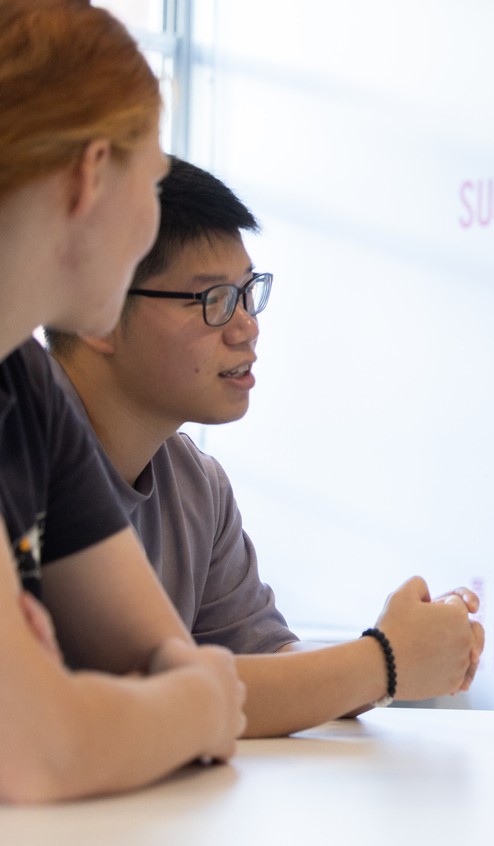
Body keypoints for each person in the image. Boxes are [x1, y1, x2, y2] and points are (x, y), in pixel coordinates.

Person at [45, 156, 486, 738]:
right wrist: (382, 663)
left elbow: (264, 671)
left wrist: (399, 647)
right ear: (99, 310)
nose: (246, 326)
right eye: (214, 300)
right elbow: (147, 701)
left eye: (248, 293)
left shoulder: (195, 485)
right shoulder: (25, 446)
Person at [0, 0, 246, 802]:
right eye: (153, 183)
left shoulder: (27, 386)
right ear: (89, 174)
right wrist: (196, 703)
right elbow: (39, 751)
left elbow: (160, 656)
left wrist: (163, 696)